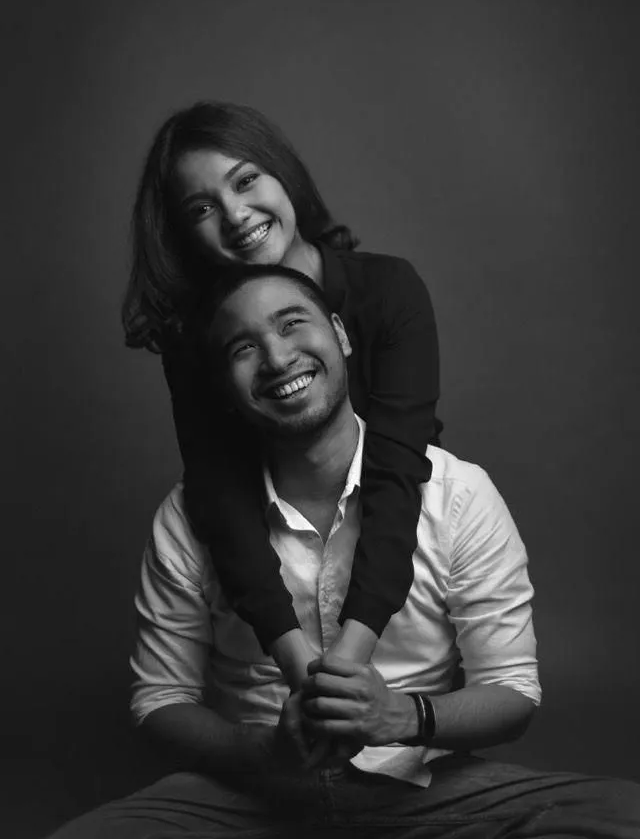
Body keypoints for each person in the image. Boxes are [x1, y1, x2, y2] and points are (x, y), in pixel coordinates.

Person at [49, 265, 640, 838]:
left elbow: (513, 692)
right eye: (243, 349)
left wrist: (402, 717)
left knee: (621, 815)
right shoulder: (187, 516)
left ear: (340, 333)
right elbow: (159, 700)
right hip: (251, 796)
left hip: (422, 790)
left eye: (291, 324)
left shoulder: (456, 494)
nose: (278, 359)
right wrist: (263, 750)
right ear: (223, 387)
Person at [121, 100, 441, 693]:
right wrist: (297, 666)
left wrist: (349, 658)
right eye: (202, 208)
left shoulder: (387, 289)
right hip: (272, 590)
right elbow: (219, 494)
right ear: (183, 233)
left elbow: (397, 472)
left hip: (399, 566)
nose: (237, 216)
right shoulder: (197, 339)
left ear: (282, 175)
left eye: (246, 181)